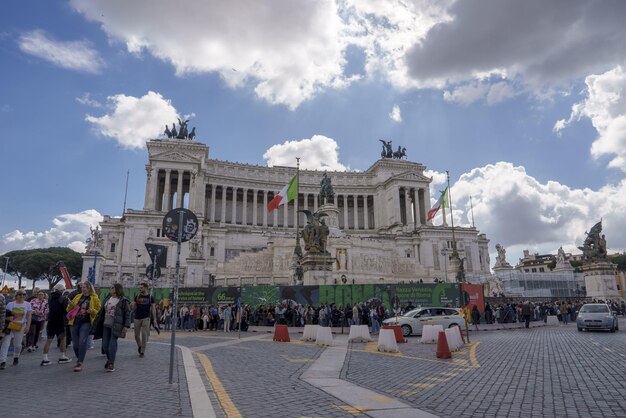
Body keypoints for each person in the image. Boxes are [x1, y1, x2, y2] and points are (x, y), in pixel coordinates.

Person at [95, 284, 131, 372]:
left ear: (117, 289)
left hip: (116, 325)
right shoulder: (107, 299)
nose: (110, 289)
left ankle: (111, 363)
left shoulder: (123, 301)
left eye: (112, 287)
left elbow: (128, 313)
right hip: (106, 324)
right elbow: (102, 311)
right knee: (105, 345)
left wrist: (126, 325)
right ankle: (109, 359)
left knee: (112, 344)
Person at [67, 282, 101, 372]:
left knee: (82, 341)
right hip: (74, 321)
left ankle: (80, 362)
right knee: (75, 344)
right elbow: (69, 309)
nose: (83, 289)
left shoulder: (94, 298)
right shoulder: (77, 296)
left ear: (89, 288)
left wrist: (92, 311)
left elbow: (99, 311)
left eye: (85, 287)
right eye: (82, 287)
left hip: (86, 322)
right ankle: (79, 357)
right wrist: (70, 306)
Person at [41, 283, 72, 366]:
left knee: (49, 339)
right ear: (61, 290)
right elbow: (66, 311)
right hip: (60, 321)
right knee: (63, 339)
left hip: (51, 321)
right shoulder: (63, 298)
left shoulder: (50, 298)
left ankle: (45, 358)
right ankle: (62, 356)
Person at [0, 290, 32, 369]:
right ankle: (2, 361)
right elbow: (4, 315)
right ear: (16, 295)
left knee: (17, 345)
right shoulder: (10, 304)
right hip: (9, 326)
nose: (22, 296)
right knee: (5, 343)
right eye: (20, 294)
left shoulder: (27, 304)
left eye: (24, 294)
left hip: (20, 326)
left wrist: (28, 326)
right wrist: (8, 318)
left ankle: (16, 356)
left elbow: (29, 316)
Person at [132, 282, 156, 357]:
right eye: (140, 287)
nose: (140, 289)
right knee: (136, 335)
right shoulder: (137, 296)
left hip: (146, 317)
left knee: (144, 334)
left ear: (145, 288)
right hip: (137, 317)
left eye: (141, 287)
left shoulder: (150, 297)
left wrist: (154, 319)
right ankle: (140, 346)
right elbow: (133, 306)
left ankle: (142, 351)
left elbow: (153, 309)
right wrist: (132, 305)